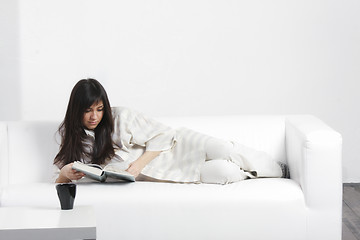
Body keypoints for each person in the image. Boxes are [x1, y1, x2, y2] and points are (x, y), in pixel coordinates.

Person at [54, 78, 288, 184]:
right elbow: (62, 180)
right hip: (167, 172)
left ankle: (277, 170)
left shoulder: (120, 116)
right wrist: (65, 174)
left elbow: (164, 135)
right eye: (87, 111)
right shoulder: (73, 138)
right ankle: (250, 173)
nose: (95, 116)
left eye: (99, 109)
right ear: (76, 110)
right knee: (224, 172)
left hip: (179, 145)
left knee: (223, 148)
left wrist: (138, 165)